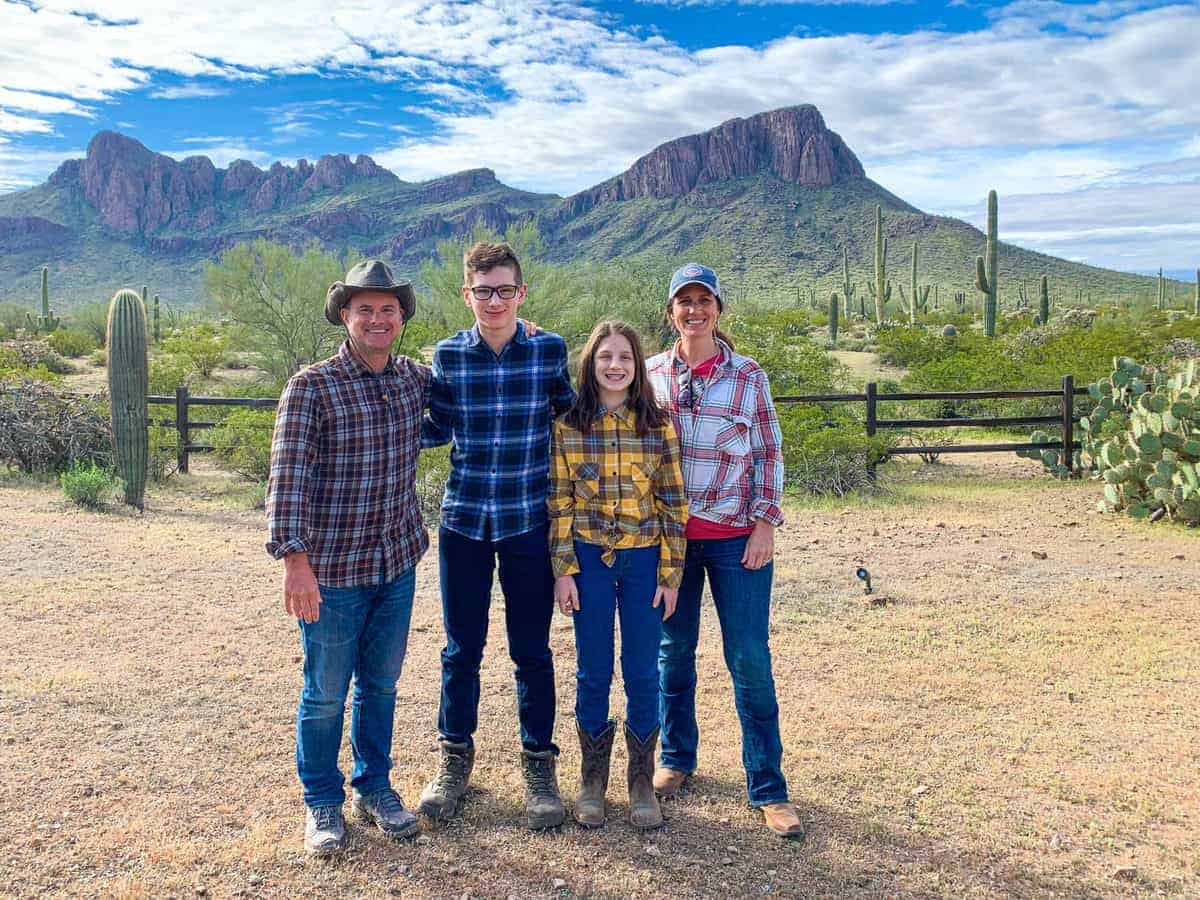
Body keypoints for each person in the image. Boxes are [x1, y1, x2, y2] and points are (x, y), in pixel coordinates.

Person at [266, 259, 428, 856]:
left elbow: (459, 407)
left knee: (381, 685)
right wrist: (294, 561)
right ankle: (322, 801)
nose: (378, 318)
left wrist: (525, 335)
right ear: (344, 315)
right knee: (326, 690)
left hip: (397, 561)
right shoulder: (311, 385)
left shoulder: (414, 381)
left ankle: (375, 786)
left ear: (402, 318)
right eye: (366, 309)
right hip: (331, 570)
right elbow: (287, 477)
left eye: (389, 309)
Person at [418, 241, 575, 829]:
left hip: (528, 523)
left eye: (505, 290)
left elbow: (570, 418)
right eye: (483, 290)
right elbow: (433, 426)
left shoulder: (548, 350)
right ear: (467, 294)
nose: (494, 300)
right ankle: (454, 762)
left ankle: (539, 767)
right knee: (461, 650)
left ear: (521, 293)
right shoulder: (449, 356)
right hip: (464, 522)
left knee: (531, 650)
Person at [645, 262, 805, 839]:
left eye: (704, 300)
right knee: (673, 651)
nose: (694, 310)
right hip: (669, 542)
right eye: (684, 301)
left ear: (718, 309)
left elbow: (769, 450)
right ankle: (676, 758)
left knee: (749, 659)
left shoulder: (748, 375)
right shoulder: (650, 374)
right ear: (671, 312)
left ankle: (768, 785)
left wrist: (766, 523)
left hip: (737, 537)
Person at [548, 320, 688, 829]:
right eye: (605, 356)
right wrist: (563, 571)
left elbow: (674, 503)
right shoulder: (567, 424)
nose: (615, 366)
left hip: (645, 559)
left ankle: (640, 781)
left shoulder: (657, 424)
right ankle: (592, 780)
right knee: (592, 667)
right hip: (589, 561)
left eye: (625, 357)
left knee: (643, 668)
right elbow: (559, 502)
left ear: (638, 365)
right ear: (591, 363)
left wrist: (670, 575)